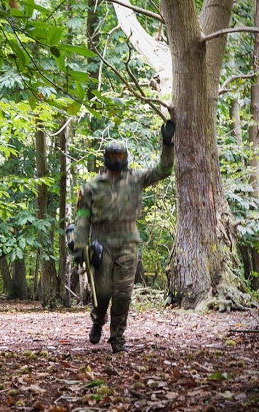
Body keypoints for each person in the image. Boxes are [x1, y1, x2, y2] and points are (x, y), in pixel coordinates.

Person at [72, 120, 175, 353]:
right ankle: (98, 321)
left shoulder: (136, 179)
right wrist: (80, 245)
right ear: (106, 157)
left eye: (121, 155)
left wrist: (167, 143)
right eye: (113, 155)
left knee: (122, 294)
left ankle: (117, 338)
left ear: (125, 157)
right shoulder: (91, 186)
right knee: (103, 292)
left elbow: (164, 170)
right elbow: (82, 217)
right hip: (102, 244)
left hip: (128, 242)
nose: (117, 159)